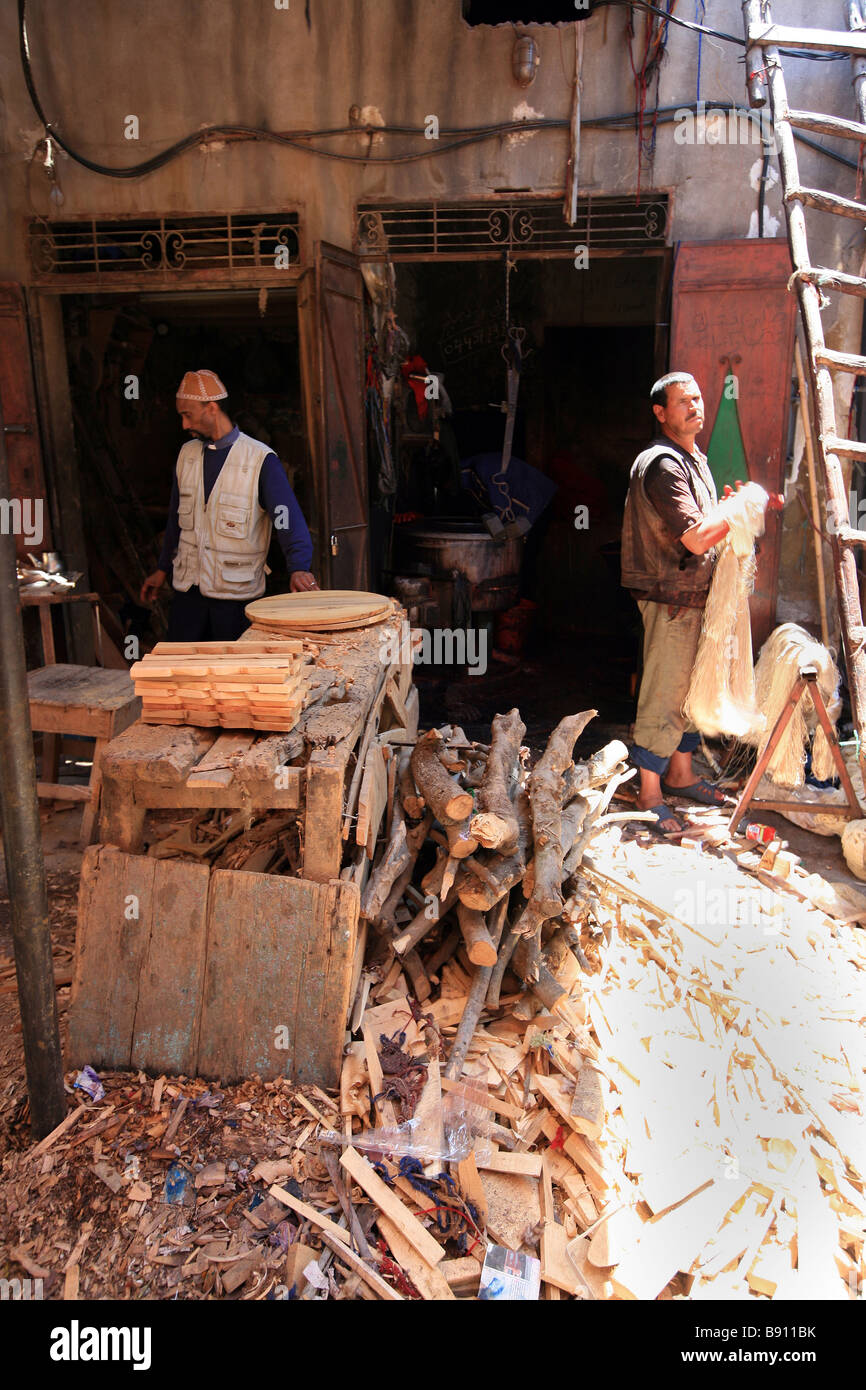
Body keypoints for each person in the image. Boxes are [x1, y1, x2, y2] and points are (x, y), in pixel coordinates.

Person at [621, 372, 764, 834]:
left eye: (698, 399)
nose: (694, 407)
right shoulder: (662, 464)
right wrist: (738, 509)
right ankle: (649, 792)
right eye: (683, 402)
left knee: (688, 693)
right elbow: (698, 539)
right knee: (663, 694)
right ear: (660, 413)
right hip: (671, 598)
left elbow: (706, 522)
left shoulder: (692, 458)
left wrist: (726, 510)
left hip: (691, 596)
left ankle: (680, 775)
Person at [140, 370, 317, 641]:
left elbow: (286, 517)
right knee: (184, 674)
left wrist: (299, 566)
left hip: (235, 599)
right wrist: (162, 569)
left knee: (232, 676)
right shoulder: (186, 455)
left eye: (187, 415)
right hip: (188, 596)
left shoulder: (260, 460)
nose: (184, 425)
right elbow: (176, 521)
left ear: (211, 408)